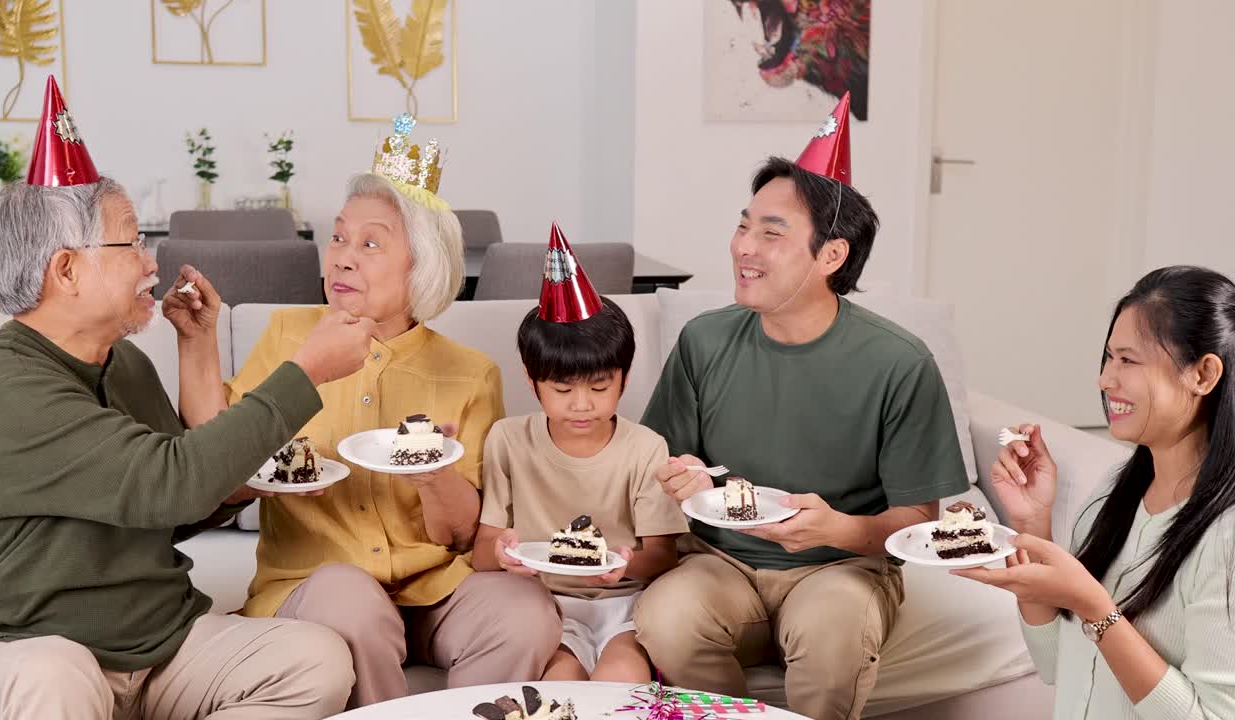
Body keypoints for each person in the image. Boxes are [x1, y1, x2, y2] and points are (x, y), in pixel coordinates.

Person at [0, 76, 361, 719]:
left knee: (316, 662)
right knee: (53, 676)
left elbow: (179, 509)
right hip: (22, 652)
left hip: (155, 645)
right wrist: (307, 371)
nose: (152, 262)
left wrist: (198, 346)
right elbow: (171, 480)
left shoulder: (126, 364)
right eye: (131, 244)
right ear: (67, 271)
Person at [634, 93, 970, 720]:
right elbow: (665, 456)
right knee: (665, 617)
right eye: (743, 225)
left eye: (772, 232)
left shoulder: (898, 362)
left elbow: (920, 521)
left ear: (831, 256)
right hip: (720, 563)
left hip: (843, 570)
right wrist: (679, 475)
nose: (744, 247)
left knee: (831, 630)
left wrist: (841, 529)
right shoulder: (705, 341)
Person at [219, 115, 562, 707]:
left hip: (432, 591)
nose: (344, 258)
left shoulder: (468, 373)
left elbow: (460, 535)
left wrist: (435, 475)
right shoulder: (286, 338)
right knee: (349, 598)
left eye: (371, 243)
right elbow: (221, 464)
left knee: (524, 610)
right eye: (339, 238)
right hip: (318, 584)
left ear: (420, 266)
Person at [955, 266, 1235, 719]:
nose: (1106, 379)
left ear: (1202, 374)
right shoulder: (1114, 495)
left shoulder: (1226, 536)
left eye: (1128, 360)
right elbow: (1054, 665)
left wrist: (1094, 607)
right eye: (1108, 358)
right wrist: (1032, 524)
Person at [472, 224, 689, 683]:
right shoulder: (507, 440)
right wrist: (506, 556)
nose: (582, 404)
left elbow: (663, 556)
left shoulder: (645, 447)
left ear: (624, 381)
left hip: (624, 607)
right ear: (532, 383)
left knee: (620, 687)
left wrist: (619, 563)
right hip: (545, 608)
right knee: (558, 692)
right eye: (562, 388)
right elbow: (482, 554)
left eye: (600, 386)